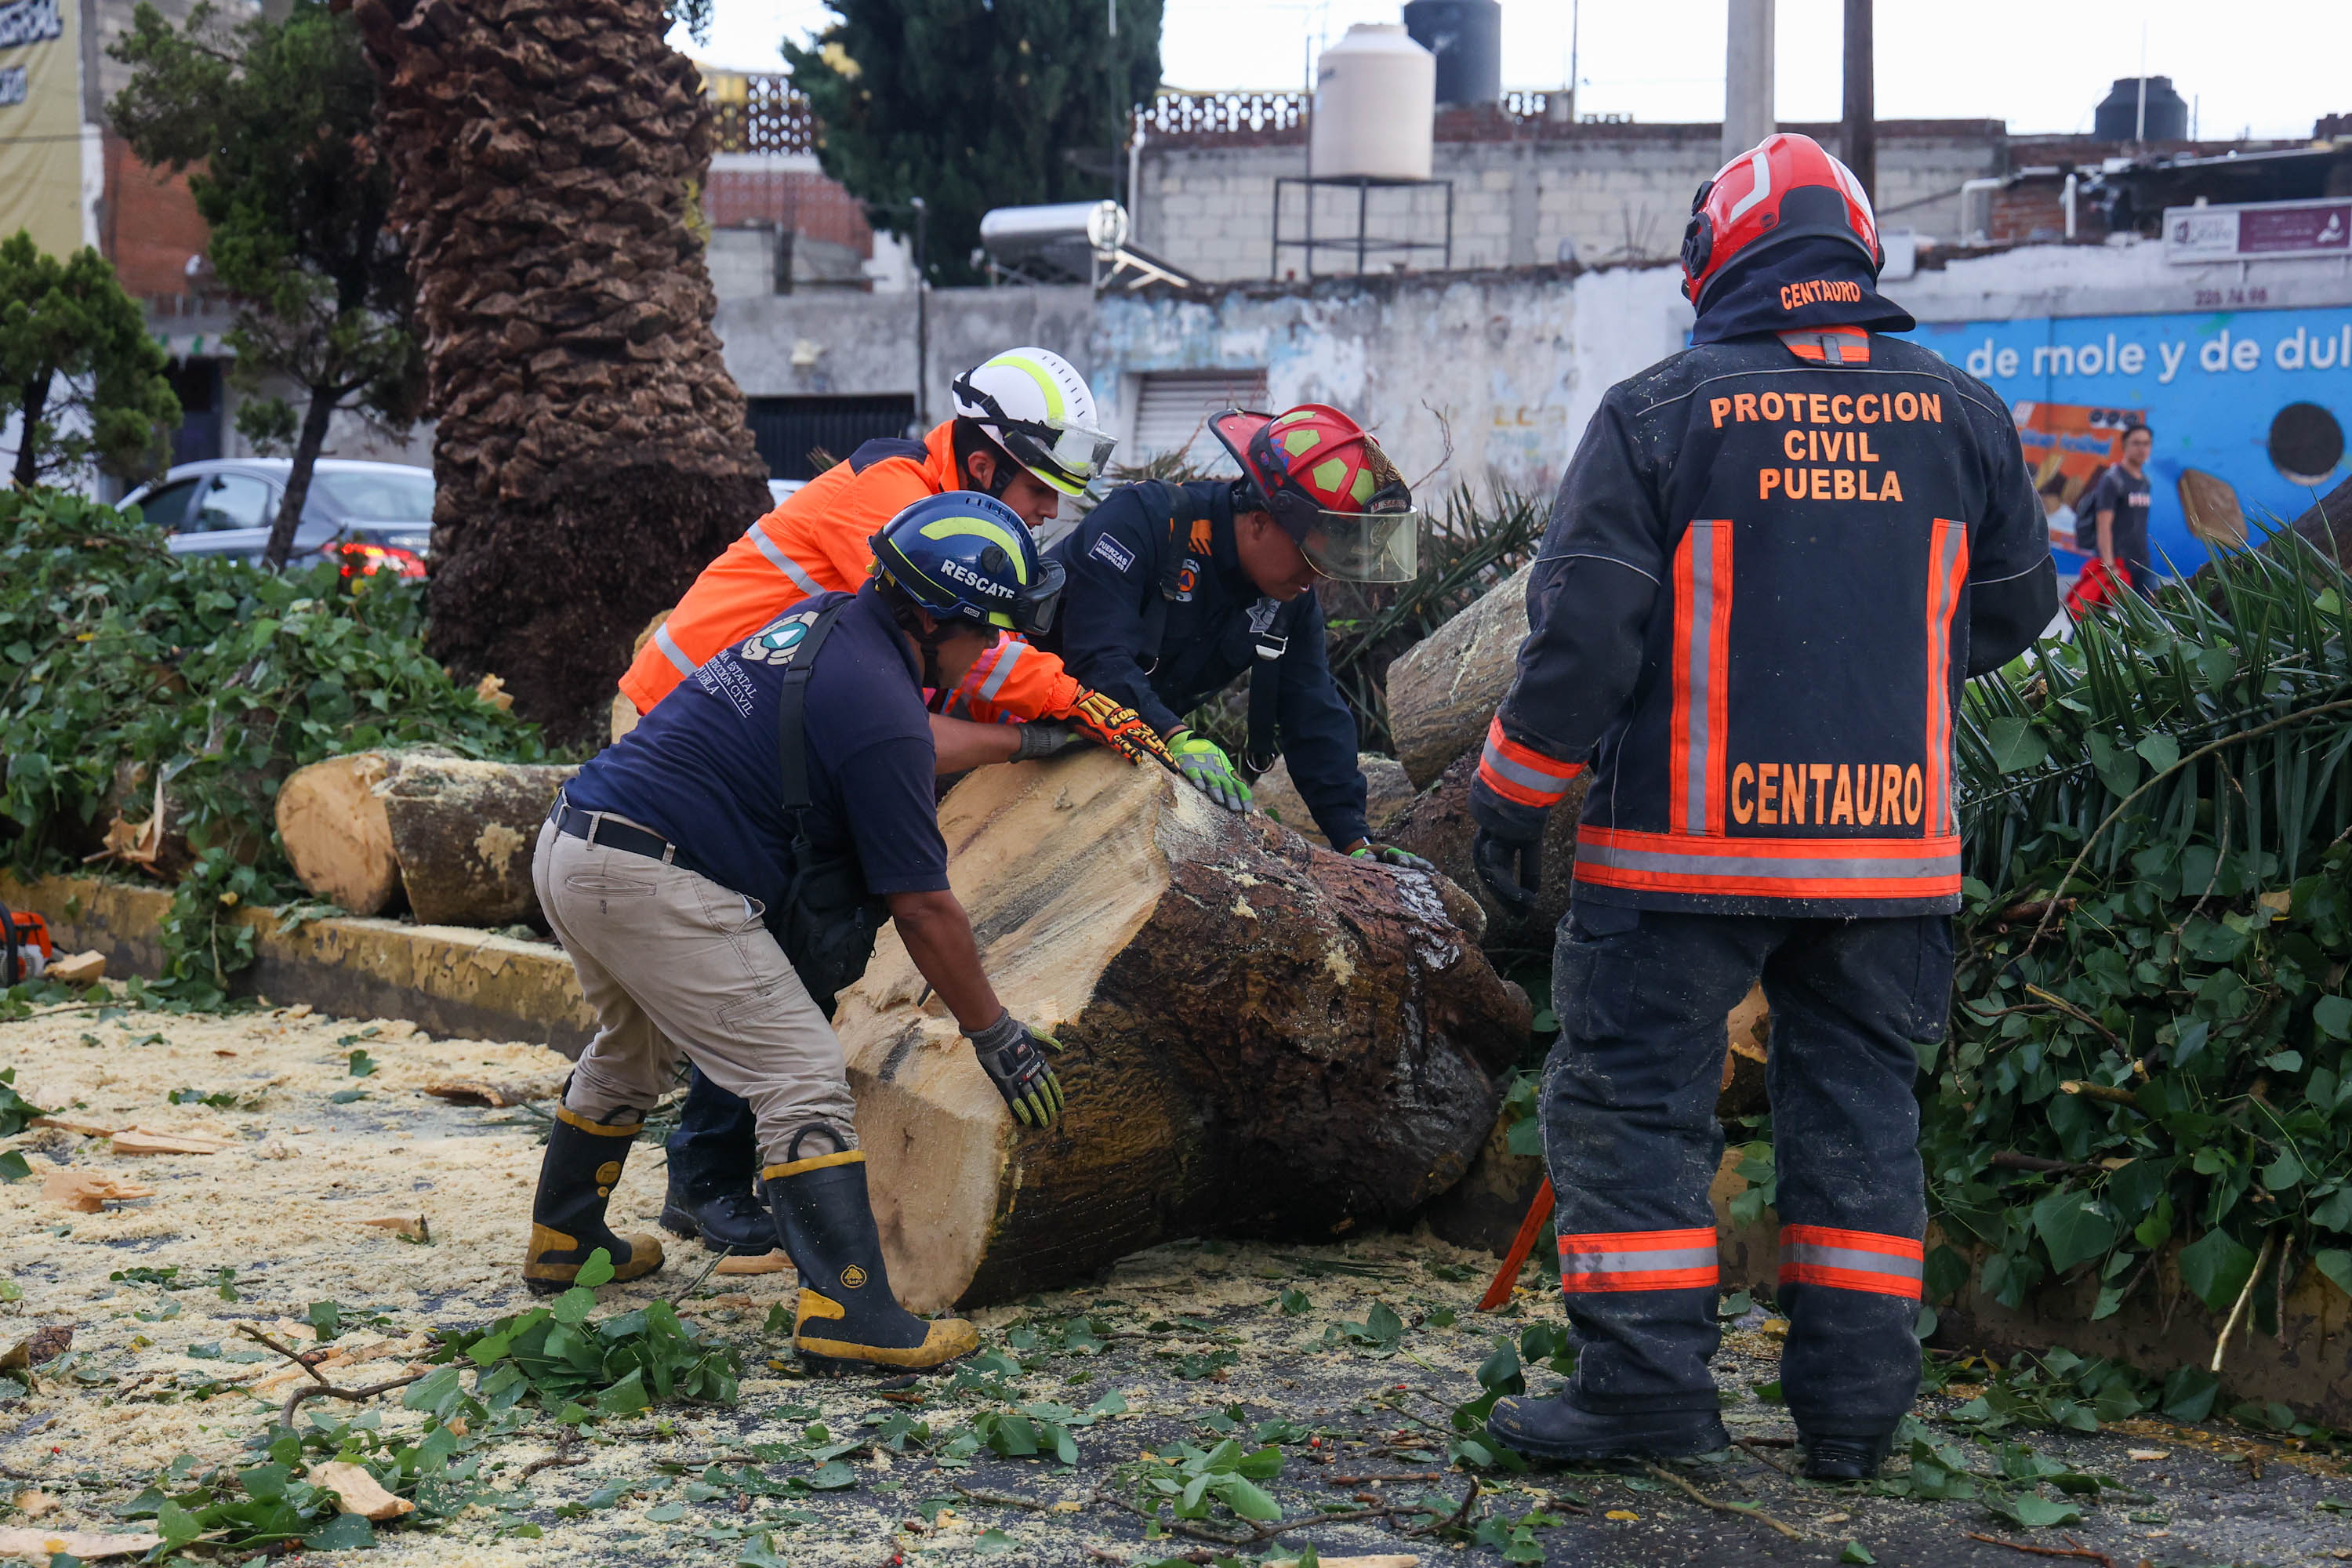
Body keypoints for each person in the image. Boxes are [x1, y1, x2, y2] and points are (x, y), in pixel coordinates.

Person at [1465, 132, 2057, 1479]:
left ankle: (1646, 1395)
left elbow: (1583, 638)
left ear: (1714, 260)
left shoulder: (1662, 412)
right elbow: (2019, 612)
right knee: (1860, 1113)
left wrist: (1510, 796)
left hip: (1679, 857)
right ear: (1855, 258)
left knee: (1633, 1110)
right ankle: (1854, 1420)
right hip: (1889, 861)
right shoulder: (1962, 416)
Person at [618, 347, 1172, 1259]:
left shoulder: (932, 498)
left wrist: (1049, 718)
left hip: (753, 722)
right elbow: (981, 654)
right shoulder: (895, 503)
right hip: (692, 730)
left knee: (784, 932)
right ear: (986, 462)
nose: (1046, 515)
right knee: (763, 939)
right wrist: (1071, 704)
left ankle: (720, 1162)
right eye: (1039, 491)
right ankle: (705, 1175)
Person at [524, 493, 1075, 1372]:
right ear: (935, 619)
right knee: (800, 1072)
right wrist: (995, 1034)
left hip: (574, 840)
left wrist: (1018, 740)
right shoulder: (880, 698)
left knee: (632, 1047)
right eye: (987, 630)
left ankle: (566, 1238)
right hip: (652, 873)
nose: (991, 649)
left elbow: (898, 734)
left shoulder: (832, 621)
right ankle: (850, 1309)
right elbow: (924, 906)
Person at [1037, 403, 1433, 866]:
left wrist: (1355, 842)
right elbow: (1098, 656)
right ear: (1261, 520)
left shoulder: (1288, 596)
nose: (1318, 575)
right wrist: (1174, 733)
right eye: (1310, 555)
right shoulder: (1143, 522)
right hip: (1007, 722)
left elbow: (1314, 714)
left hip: (1110, 757)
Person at [2076, 422, 2154, 592]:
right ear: (2124, 445)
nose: (2142, 448)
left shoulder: (2145, 482)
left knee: (2154, 613)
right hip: (2118, 563)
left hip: (2142, 562)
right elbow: (2103, 525)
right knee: (2107, 616)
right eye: (2136, 443)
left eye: (2146, 443)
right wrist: (2109, 566)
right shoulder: (2112, 480)